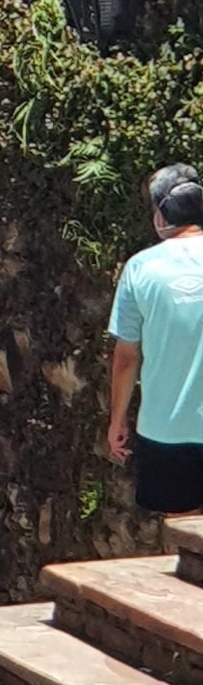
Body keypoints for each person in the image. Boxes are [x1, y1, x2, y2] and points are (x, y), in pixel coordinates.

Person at [108, 163, 203, 515]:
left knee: (180, 538)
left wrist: (117, 419)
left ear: (160, 215)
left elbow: (126, 356)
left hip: (166, 428)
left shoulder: (140, 268)